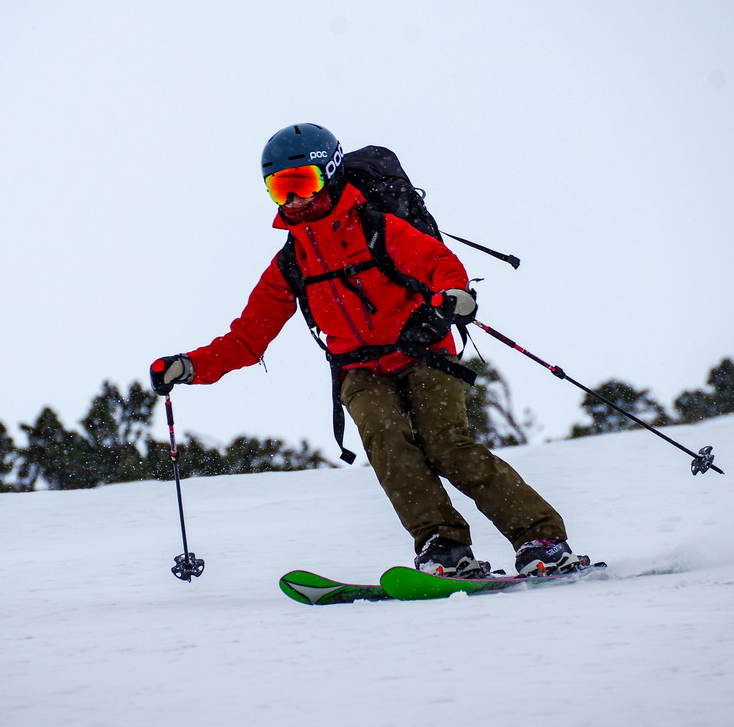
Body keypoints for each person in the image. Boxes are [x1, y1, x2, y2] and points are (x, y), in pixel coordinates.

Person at [151, 123, 590, 578]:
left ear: (332, 173)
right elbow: (247, 338)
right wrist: (189, 367)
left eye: (302, 182)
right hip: (359, 369)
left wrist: (455, 292)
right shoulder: (290, 263)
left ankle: (541, 539)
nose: (293, 199)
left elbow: (437, 261)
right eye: (279, 188)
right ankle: (443, 546)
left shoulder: (377, 227)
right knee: (388, 445)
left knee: (448, 447)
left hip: (423, 351)